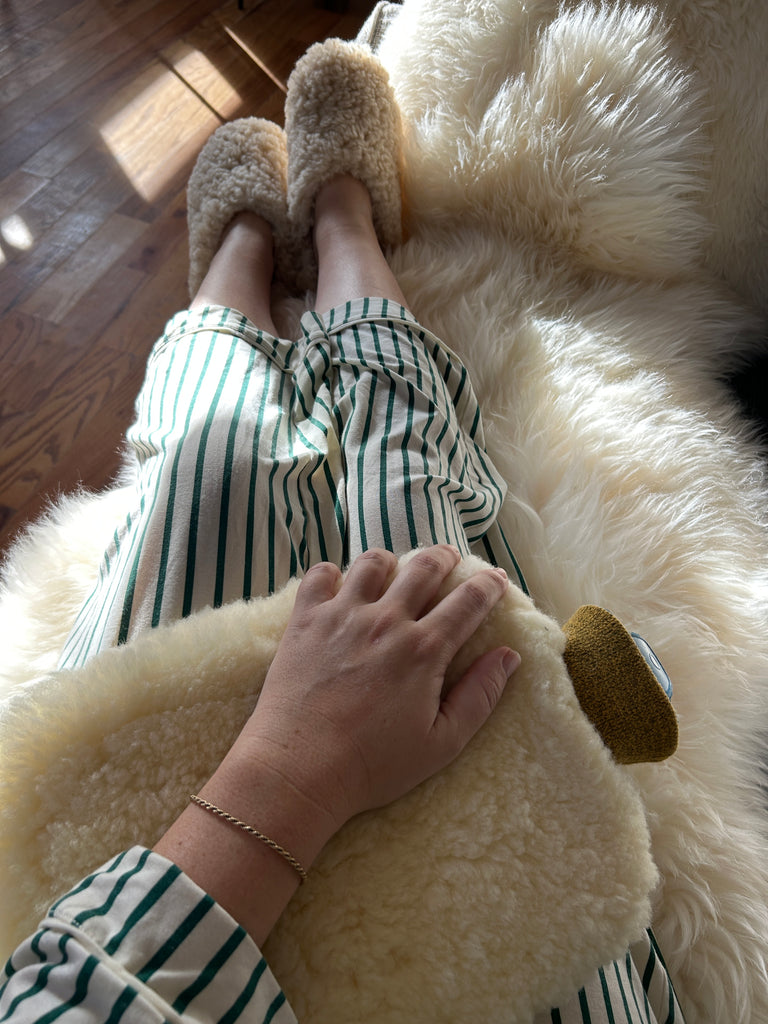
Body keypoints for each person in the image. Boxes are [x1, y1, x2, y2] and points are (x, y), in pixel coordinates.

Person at [0, 39, 684, 1024]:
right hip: (514, 937)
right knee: (413, 500)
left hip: (118, 876)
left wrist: (290, 772)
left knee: (203, 476)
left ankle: (245, 252)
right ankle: (340, 227)